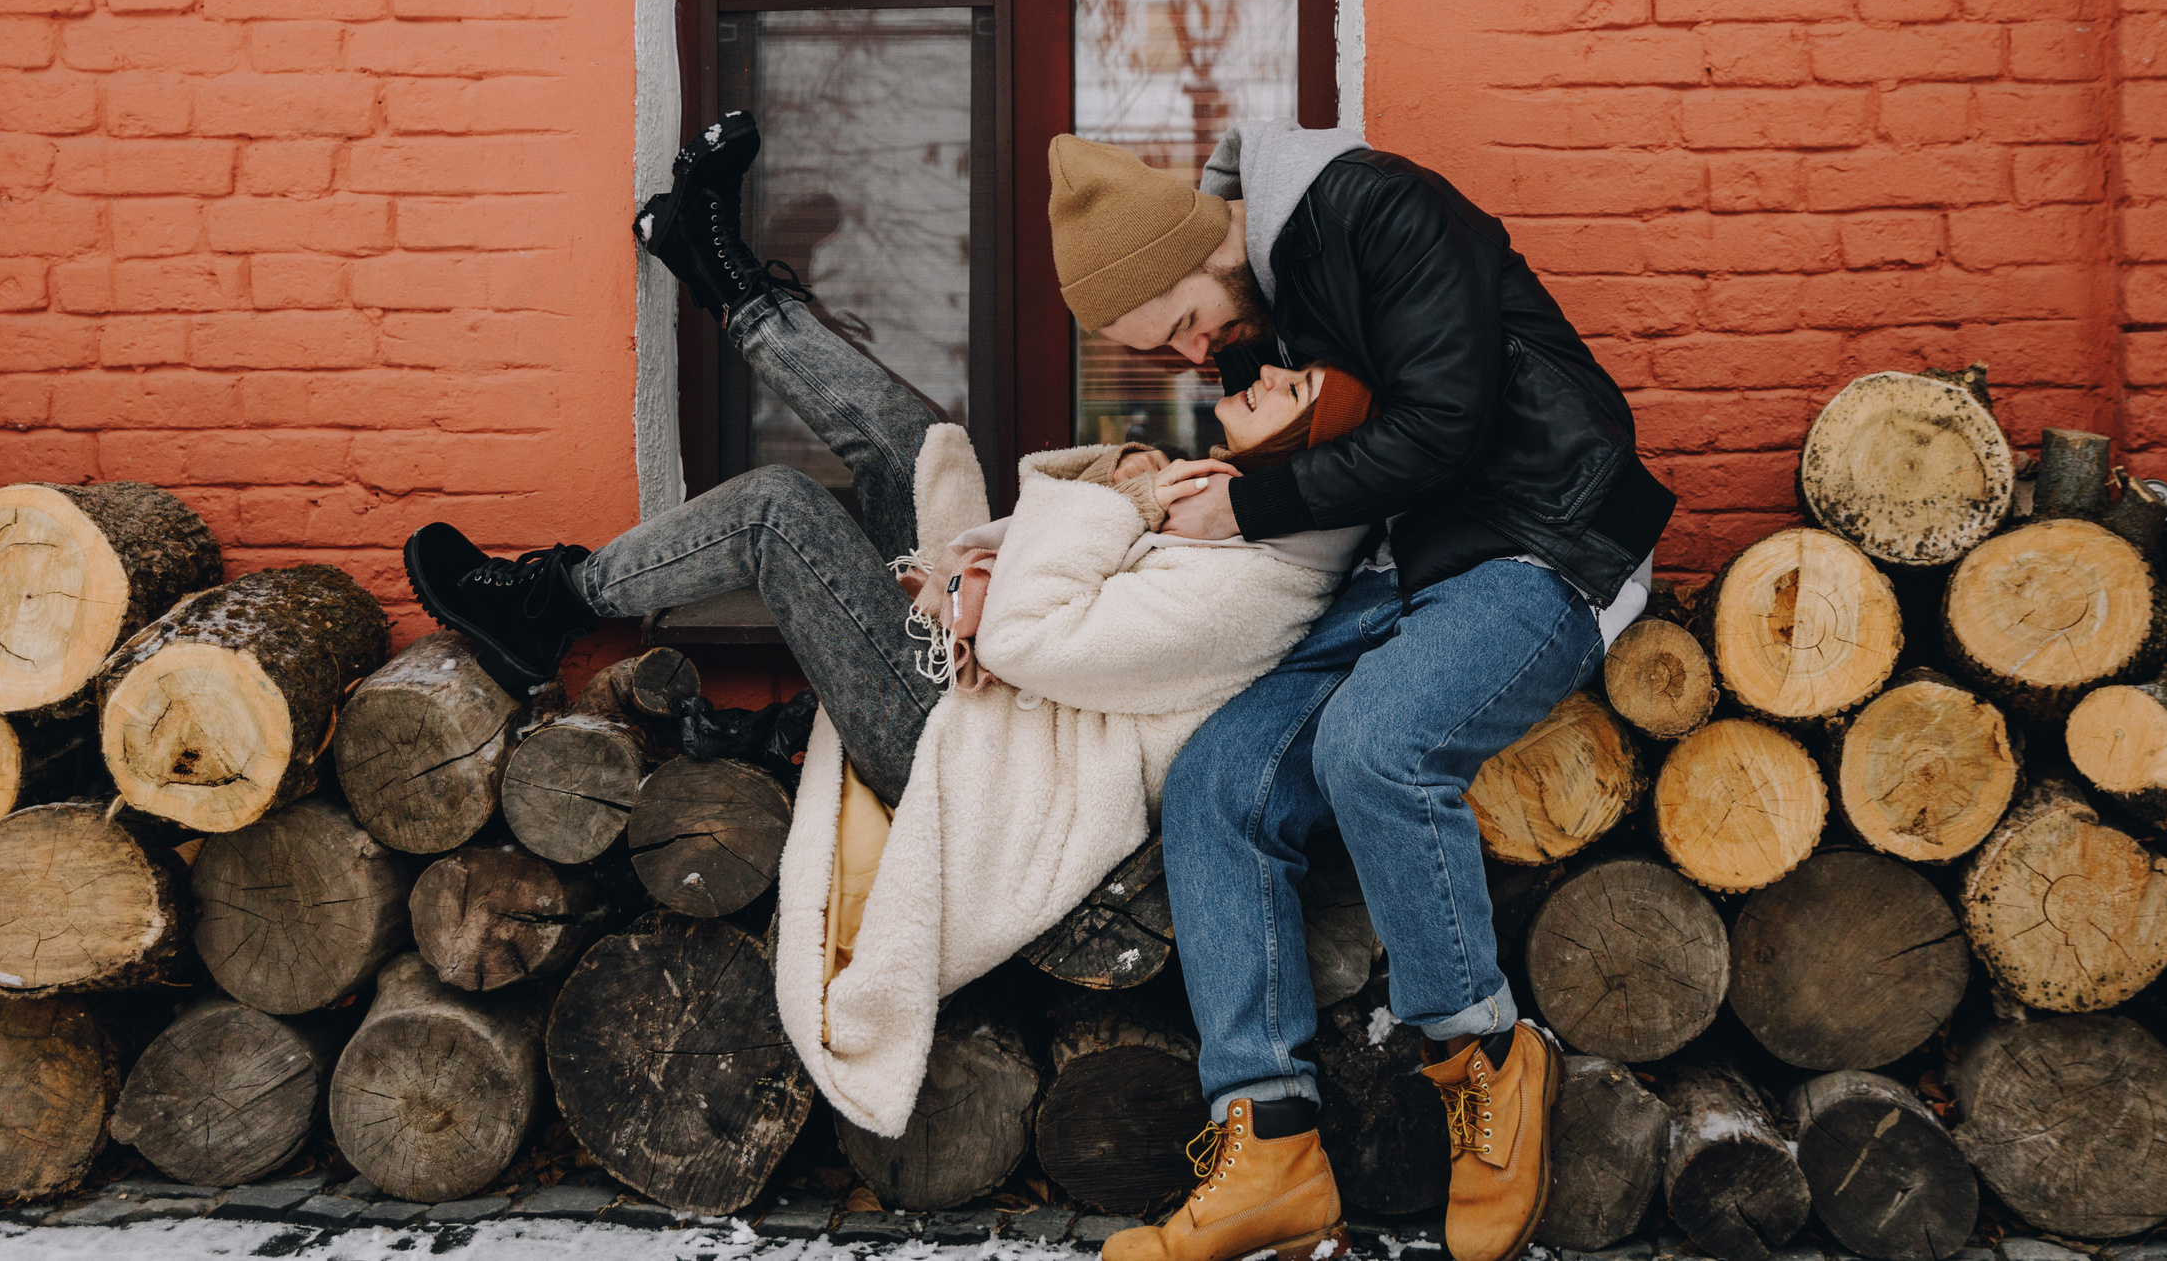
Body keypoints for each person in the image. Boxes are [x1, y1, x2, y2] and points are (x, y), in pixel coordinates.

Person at [401, 113, 1378, 1137]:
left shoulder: (1251, 586)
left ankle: (551, 605)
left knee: (780, 511)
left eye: (1291, 389)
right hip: (977, 696)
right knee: (912, 446)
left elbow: (1028, 641)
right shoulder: (1235, 517)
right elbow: (1055, 589)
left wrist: (1101, 515)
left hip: (960, 750)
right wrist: (998, 556)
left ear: (1306, 449)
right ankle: (720, 269)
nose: (1256, 372)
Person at [1046, 127, 1676, 1261]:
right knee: (1218, 784)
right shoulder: (1248, 323)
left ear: (1212, 241)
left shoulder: (1377, 209)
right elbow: (1316, 474)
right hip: (1394, 572)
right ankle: (1270, 1142)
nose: (1199, 353)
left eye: (1189, 319)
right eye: (1168, 349)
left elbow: (1448, 425)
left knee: (1376, 749)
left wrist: (1246, 507)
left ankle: (1485, 1058)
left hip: (1540, 540)